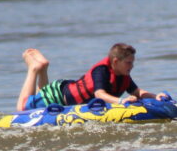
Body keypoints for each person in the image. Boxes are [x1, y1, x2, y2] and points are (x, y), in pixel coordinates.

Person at [15, 43, 168, 112]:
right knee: (22, 107)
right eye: (128, 63)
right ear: (116, 61)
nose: (132, 66)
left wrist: (156, 96)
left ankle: (43, 68)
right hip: (57, 96)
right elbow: (99, 94)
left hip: (64, 89)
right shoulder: (101, 71)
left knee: (41, 95)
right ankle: (34, 69)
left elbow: (137, 92)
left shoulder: (123, 75)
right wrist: (122, 101)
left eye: (132, 62)